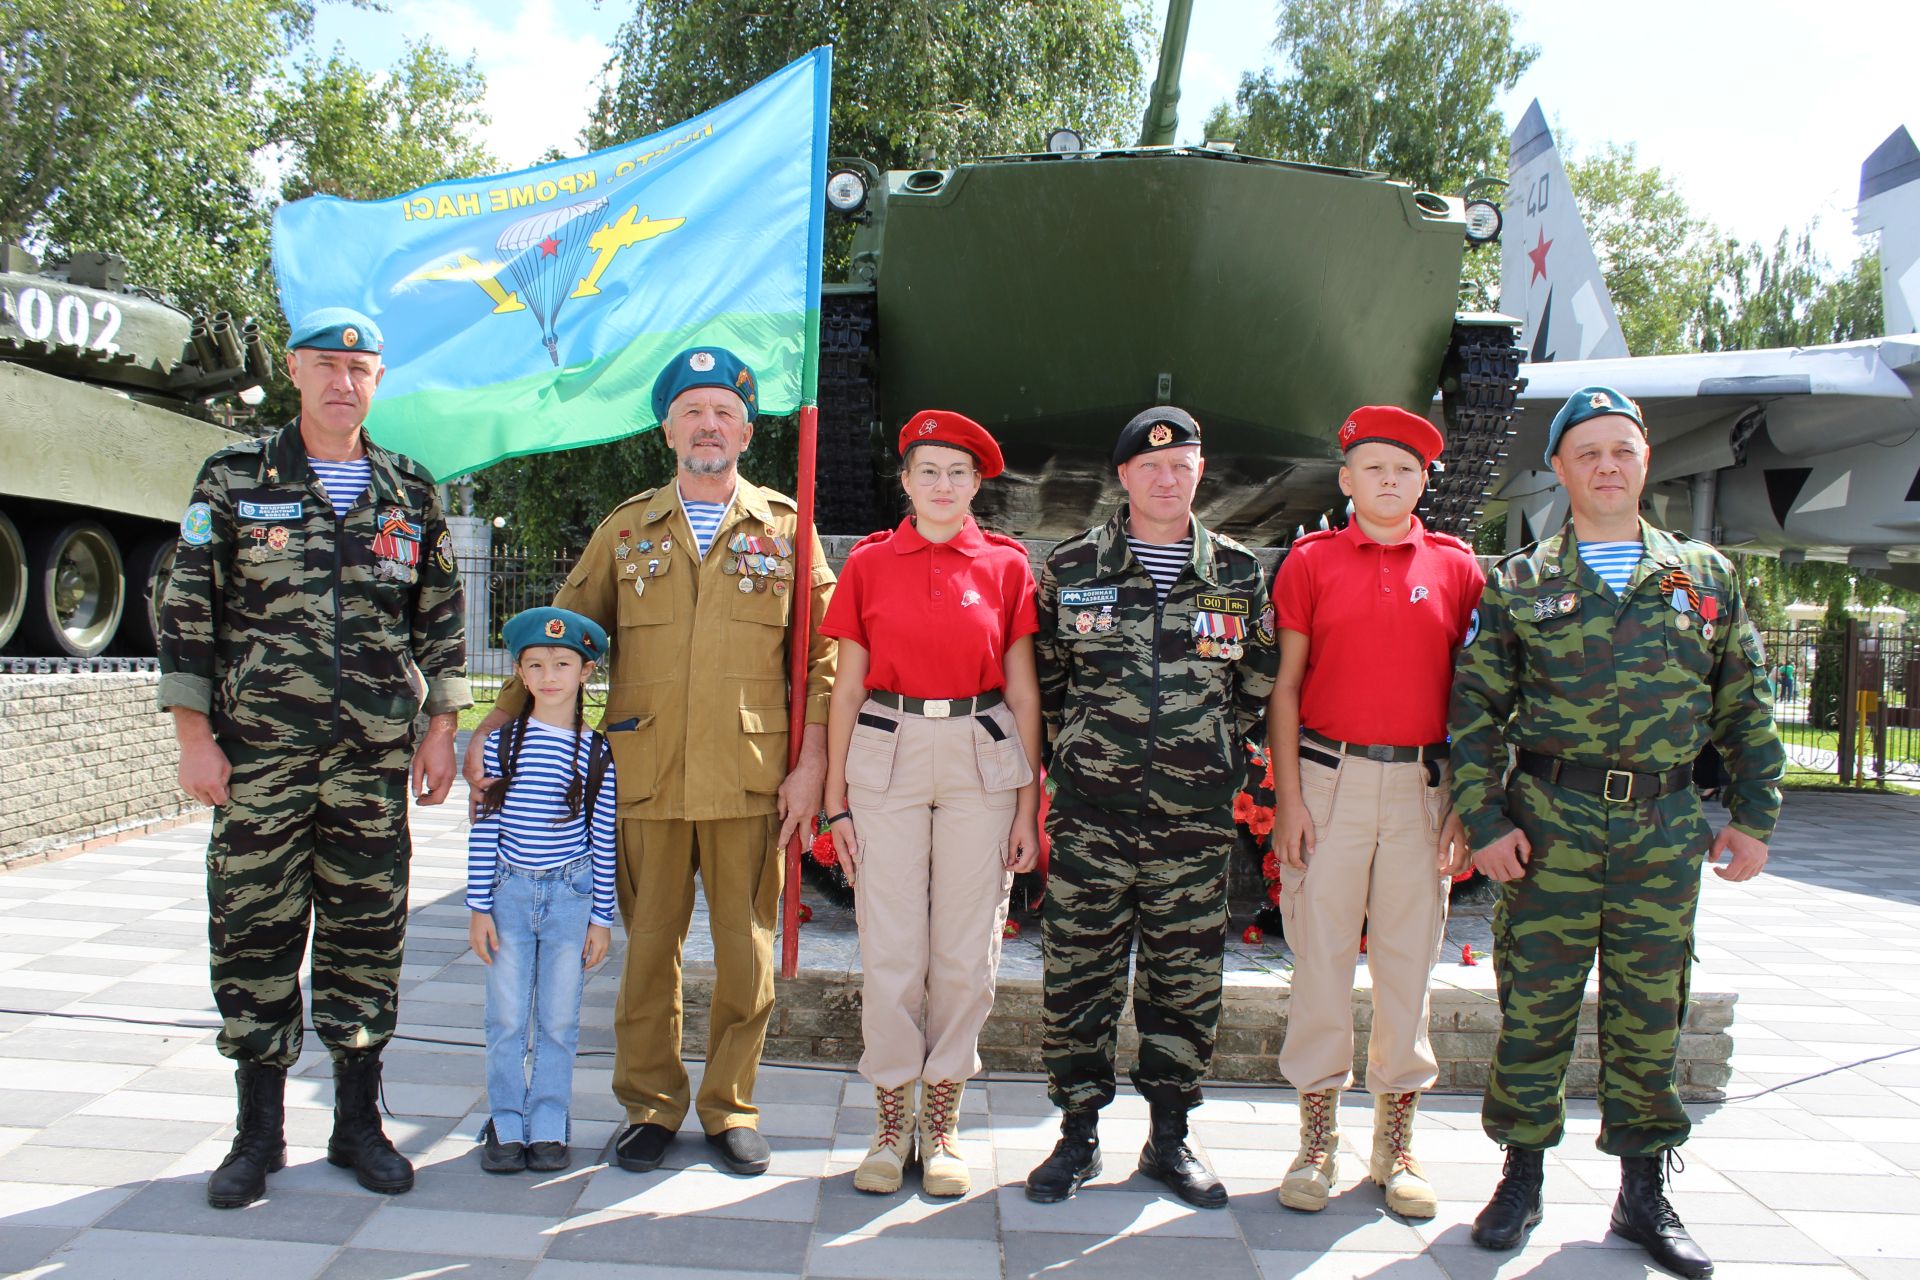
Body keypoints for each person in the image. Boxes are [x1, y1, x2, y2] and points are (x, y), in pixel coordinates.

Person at [464, 346, 835, 1178]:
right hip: (644, 779)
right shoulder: (625, 530)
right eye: (693, 412)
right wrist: (500, 723)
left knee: (747, 955)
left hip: (750, 780)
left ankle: (731, 1105)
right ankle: (652, 1105)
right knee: (646, 955)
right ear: (668, 428)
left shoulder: (786, 527)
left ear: (747, 430)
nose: (709, 426)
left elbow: (827, 657)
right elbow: (553, 641)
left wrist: (811, 766)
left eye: (725, 414)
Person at [1450, 386, 1784, 1278]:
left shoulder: (1702, 578)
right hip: (1548, 827)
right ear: (1559, 467)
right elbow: (1474, 714)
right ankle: (1520, 1178)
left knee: (1651, 1010)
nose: (1607, 466)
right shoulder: (1518, 581)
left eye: (1622, 450)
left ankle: (1644, 1191)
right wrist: (1482, 821)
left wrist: (1754, 816)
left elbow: (1744, 705)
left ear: (1646, 463)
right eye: (1587, 451)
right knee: (1535, 1008)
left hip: (1663, 828)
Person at [158, 307, 471, 1208]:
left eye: (360, 368)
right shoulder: (233, 476)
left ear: (378, 381)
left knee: (367, 933)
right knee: (253, 933)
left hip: (372, 762)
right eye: (326, 365)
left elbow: (440, 618)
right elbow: (186, 610)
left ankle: (359, 1123)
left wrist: (442, 726)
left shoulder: (409, 489)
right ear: (294, 371)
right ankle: (258, 1131)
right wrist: (193, 736)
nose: (343, 381)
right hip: (258, 759)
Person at [1025, 406, 1278, 1209]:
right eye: (1150, 467)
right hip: (1092, 818)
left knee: (1185, 982)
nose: (1167, 479)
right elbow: (1048, 683)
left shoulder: (1237, 573)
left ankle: (1169, 1139)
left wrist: (1208, 752)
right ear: (1125, 475)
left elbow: (1256, 687)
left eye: (1182, 466)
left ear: (1199, 473)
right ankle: (1077, 1134)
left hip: (1193, 822)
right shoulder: (1071, 567)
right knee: (1078, 977)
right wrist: (1090, 754)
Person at [820, 411, 1044, 1198]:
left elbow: (1022, 691)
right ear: (906, 482)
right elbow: (845, 686)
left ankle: (940, 1121)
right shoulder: (872, 565)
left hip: (982, 752)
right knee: (889, 949)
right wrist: (834, 802)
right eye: (928, 472)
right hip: (887, 749)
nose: (943, 486)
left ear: (978, 484)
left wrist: (1028, 804)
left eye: (958, 473)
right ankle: (890, 1123)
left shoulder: (1008, 567)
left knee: (964, 950)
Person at [1267, 406, 1482, 1219]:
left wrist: (1463, 800)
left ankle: (1396, 1145)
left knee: (1407, 965)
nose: (1390, 482)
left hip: (1422, 790)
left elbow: (1473, 697)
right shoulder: (1312, 562)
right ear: (1347, 480)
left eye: (1407, 471)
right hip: (1330, 780)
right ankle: (1316, 1141)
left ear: (1424, 482)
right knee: (1319, 958)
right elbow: (1286, 688)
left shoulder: (1458, 568)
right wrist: (1288, 798)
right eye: (1375, 469)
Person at [467, 607, 618, 1175]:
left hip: (569, 898)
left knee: (558, 1019)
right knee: (506, 1017)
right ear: (521, 676)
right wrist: (478, 905)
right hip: (507, 893)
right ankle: (506, 1119)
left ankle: (550, 1119)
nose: (549, 675)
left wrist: (601, 917)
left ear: (585, 673)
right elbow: (484, 826)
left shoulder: (597, 753)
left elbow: (602, 837)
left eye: (562, 663)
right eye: (536, 665)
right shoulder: (500, 745)